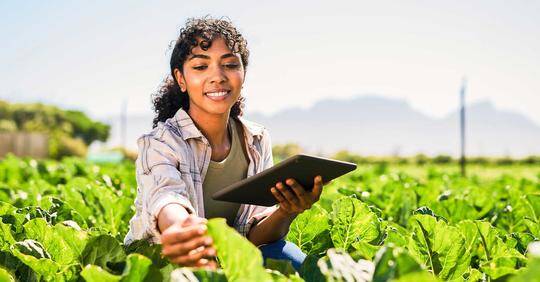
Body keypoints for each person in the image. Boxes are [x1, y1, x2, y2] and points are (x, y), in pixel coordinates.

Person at [124, 16, 324, 271]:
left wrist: (287, 210)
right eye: (200, 67)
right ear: (181, 79)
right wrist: (181, 230)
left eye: (229, 64)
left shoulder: (257, 139)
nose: (217, 77)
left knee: (290, 257)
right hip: (165, 263)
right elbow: (165, 197)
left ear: (243, 74)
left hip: (227, 261)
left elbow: (252, 238)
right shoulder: (161, 142)